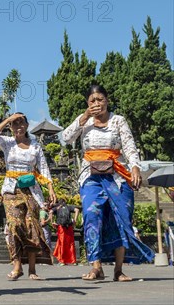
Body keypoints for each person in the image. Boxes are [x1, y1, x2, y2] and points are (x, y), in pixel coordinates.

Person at [62, 84, 154, 281]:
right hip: (90, 177)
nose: (97, 104)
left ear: (107, 100)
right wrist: (84, 116)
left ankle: (118, 270)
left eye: (100, 99)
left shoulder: (118, 121)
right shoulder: (84, 121)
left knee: (120, 218)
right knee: (91, 214)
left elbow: (129, 146)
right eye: (92, 101)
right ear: (88, 104)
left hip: (117, 177)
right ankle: (96, 266)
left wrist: (135, 167)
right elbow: (65, 138)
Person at [0, 112, 56, 281]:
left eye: (21, 123)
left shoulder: (35, 146)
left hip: (31, 190)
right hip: (11, 190)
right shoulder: (8, 143)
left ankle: (32, 269)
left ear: (26, 125)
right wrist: (8, 120)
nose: (18, 127)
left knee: (31, 226)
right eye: (14, 124)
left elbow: (43, 168)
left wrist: (51, 188)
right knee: (14, 225)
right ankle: (17, 265)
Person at [50, 199, 78, 265]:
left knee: (61, 243)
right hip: (69, 227)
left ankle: (62, 261)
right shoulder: (68, 207)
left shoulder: (57, 208)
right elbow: (77, 210)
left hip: (61, 227)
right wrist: (75, 220)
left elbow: (50, 212)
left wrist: (52, 222)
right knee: (70, 243)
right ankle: (73, 261)